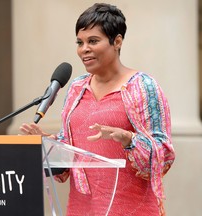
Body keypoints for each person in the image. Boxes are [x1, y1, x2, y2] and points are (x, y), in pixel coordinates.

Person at [19, 3, 175, 216]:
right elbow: (69, 151)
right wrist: (45, 141)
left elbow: (163, 156)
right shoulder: (76, 89)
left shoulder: (143, 86)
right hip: (81, 208)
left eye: (93, 41)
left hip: (131, 208)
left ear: (117, 41)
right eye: (80, 42)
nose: (84, 49)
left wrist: (129, 139)